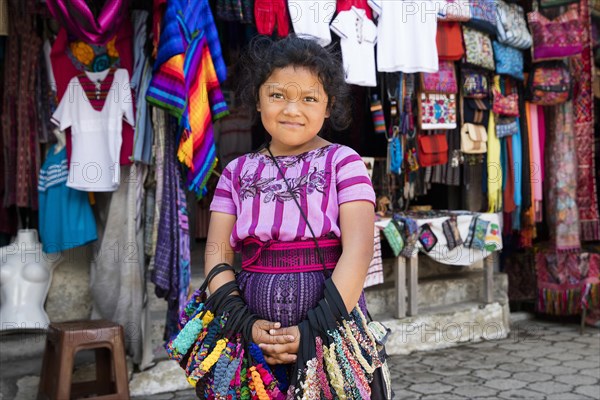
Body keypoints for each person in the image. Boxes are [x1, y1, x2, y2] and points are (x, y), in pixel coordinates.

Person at [205, 35, 376, 376]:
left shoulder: (344, 162)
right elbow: (216, 256)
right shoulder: (235, 173)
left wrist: (313, 330)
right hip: (252, 341)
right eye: (277, 95)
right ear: (257, 99)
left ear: (328, 107)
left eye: (309, 98)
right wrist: (247, 324)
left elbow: (358, 251)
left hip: (331, 332)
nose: (291, 109)